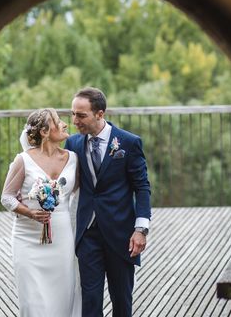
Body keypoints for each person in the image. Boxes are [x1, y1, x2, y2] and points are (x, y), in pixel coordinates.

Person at [65, 87, 152, 317]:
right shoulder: (73, 144)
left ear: (100, 114)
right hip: (87, 234)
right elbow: (65, 182)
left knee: (121, 299)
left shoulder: (128, 143)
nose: (74, 120)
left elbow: (142, 187)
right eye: (73, 114)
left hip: (121, 234)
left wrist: (141, 229)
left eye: (81, 115)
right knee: (90, 300)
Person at [0, 108, 81, 317]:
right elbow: (7, 197)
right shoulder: (23, 160)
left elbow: (80, 194)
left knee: (62, 297)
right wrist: (29, 212)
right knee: (33, 301)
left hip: (62, 238)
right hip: (27, 238)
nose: (65, 124)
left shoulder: (73, 159)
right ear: (45, 131)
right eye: (58, 121)